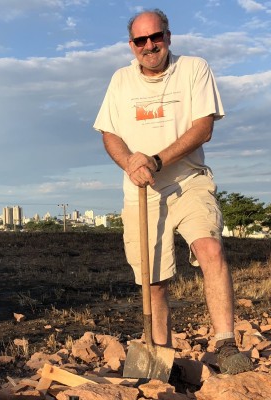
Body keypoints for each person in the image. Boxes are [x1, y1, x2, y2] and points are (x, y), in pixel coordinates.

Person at [93, 8, 253, 375]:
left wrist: (156, 160)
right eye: (140, 40)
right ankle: (161, 360)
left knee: (210, 248)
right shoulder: (120, 81)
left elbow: (203, 128)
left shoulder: (194, 69)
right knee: (155, 281)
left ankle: (226, 344)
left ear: (168, 36)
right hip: (142, 191)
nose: (150, 45)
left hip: (189, 181)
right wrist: (132, 164)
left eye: (156, 37)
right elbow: (110, 134)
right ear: (131, 45)